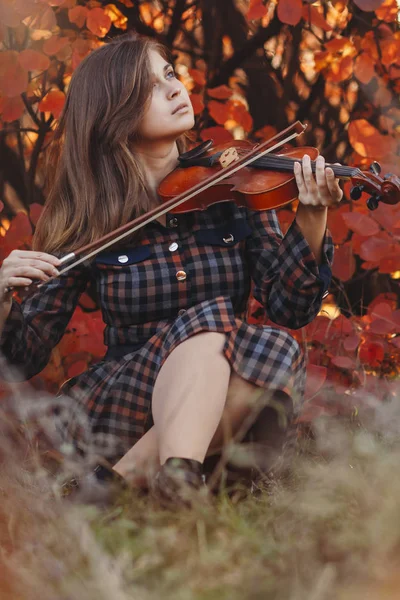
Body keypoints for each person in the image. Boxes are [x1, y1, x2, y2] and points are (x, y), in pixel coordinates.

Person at [0, 32, 342, 506]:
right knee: (211, 326)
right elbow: (21, 356)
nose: (177, 89)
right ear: (112, 113)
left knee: (270, 345)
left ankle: (136, 485)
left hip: (224, 384)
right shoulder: (85, 218)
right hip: (125, 397)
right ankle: (157, 474)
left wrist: (311, 215)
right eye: (151, 88)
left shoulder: (234, 184)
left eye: (170, 74)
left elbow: (291, 308)